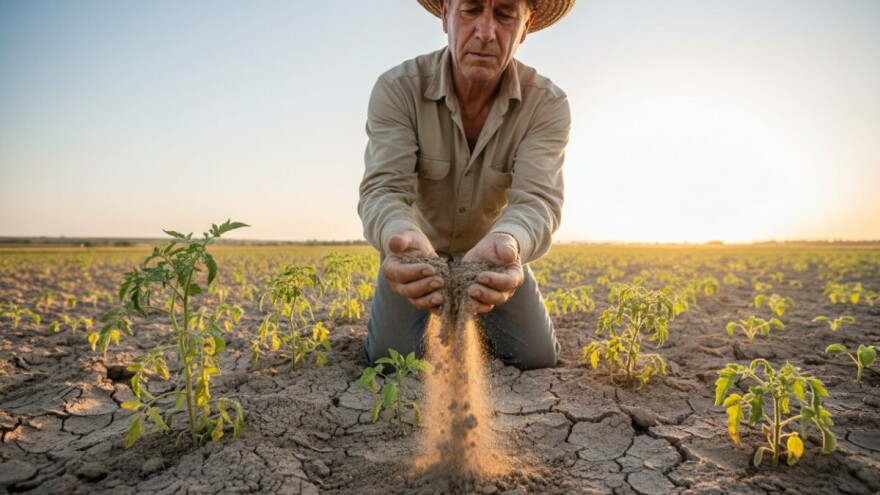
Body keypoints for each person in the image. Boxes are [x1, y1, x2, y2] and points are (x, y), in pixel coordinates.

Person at [358, 0, 574, 370]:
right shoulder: (398, 89)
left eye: (505, 14)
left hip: (490, 256)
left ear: (525, 27)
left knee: (537, 356)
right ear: (445, 15)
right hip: (418, 254)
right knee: (390, 360)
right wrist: (400, 235)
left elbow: (538, 200)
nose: (486, 32)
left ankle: (476, 318)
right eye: (471, 9)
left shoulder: (546, 104)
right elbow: (383, 190)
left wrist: (510, 242)